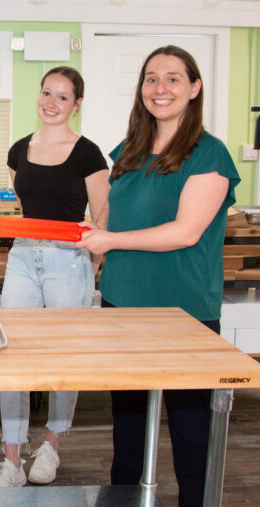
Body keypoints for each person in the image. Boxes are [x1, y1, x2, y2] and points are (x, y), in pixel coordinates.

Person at [77, 46, 240, 507]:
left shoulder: (210, 153)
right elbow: (111, 213)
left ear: (194, 88)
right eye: (151, 78)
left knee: (191, 430)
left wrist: (109, 241)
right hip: (122, 302)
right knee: (127, 427)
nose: (160, 88)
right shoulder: (128, 149)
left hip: (182, 309)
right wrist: (97, 236)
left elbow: (186, 232)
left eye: (172, 78)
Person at [0, 67, 109, 488]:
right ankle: (12, 459)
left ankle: (52, 445)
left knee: (65, 359)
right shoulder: (19, 150)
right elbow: (25, 205)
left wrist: (92, 263)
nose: (51, 102)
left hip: (68, 261)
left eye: (62, 96)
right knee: (11, 354)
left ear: (76, 104)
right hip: (23, 256)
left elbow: (102, 214)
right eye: (46, 93)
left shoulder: (89, 153)